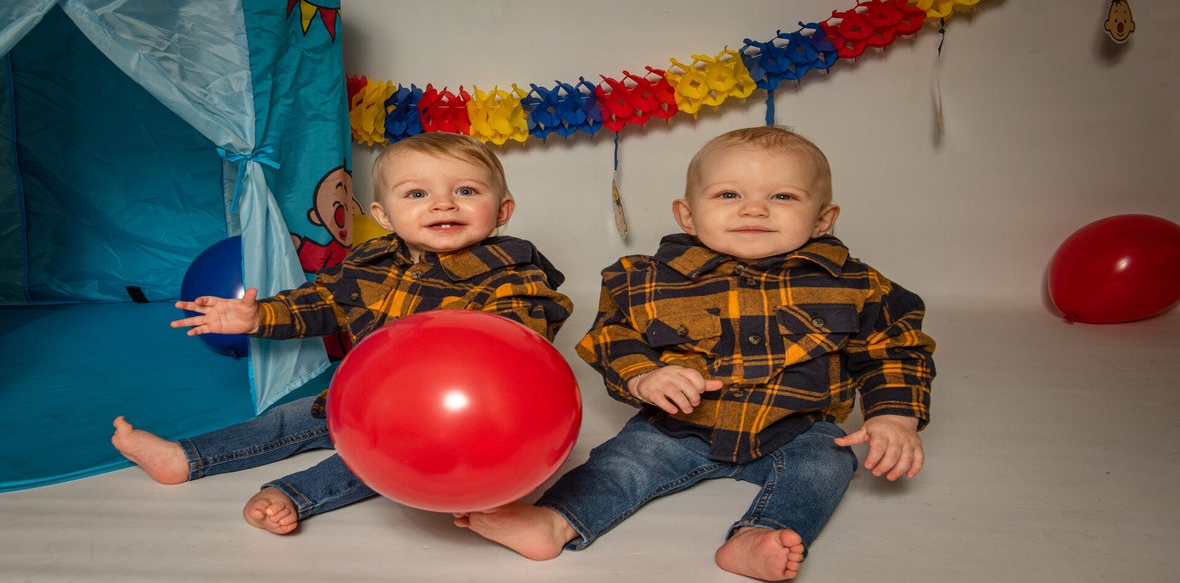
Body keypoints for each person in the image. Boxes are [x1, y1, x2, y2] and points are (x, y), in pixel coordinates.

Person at [455, 126, 936, 581]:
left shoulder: (854, 284)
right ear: (687, 215)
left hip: (799, 426)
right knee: (621, 463)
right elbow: (612, 336)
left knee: (827, 466)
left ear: (823, 219)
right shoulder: (647, 279)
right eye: (728, 195)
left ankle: (760, 534)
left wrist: (895, 416)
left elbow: (896, 349)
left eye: (783, 197)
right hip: (681, 425)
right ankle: (556, 521)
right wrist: (644, 375)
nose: (754, 210)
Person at [112, 132, 574, 535]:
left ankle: (292, 495)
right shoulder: (371, 264)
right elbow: (321, 303)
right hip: (359, 398)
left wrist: (485, 349)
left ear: (502, 210)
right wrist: (257, 317)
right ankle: (186, 457)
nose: (443, 204)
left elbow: (520, 339)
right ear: (384, 215)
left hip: (440, 423)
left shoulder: (511, 276)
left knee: (367, 461)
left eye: (466, 190)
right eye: (416, 193)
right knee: (282, 420)